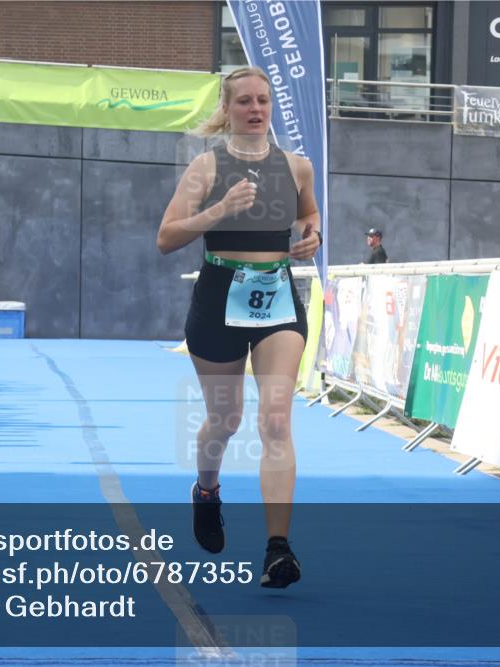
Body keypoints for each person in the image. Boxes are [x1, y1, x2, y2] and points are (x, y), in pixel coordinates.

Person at [156, 66, 320, 589]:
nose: (255, 108)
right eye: (245, 101)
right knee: (224, 422)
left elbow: (309, 216)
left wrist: (310, 235)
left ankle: (278, 549)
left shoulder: (297, 167)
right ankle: (207, 490)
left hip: (276, 296)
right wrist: (219, 210)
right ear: (228, 110)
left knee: (275, 421)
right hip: (219, 294)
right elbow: (166, 237)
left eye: (263, 100)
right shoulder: (206, 168)